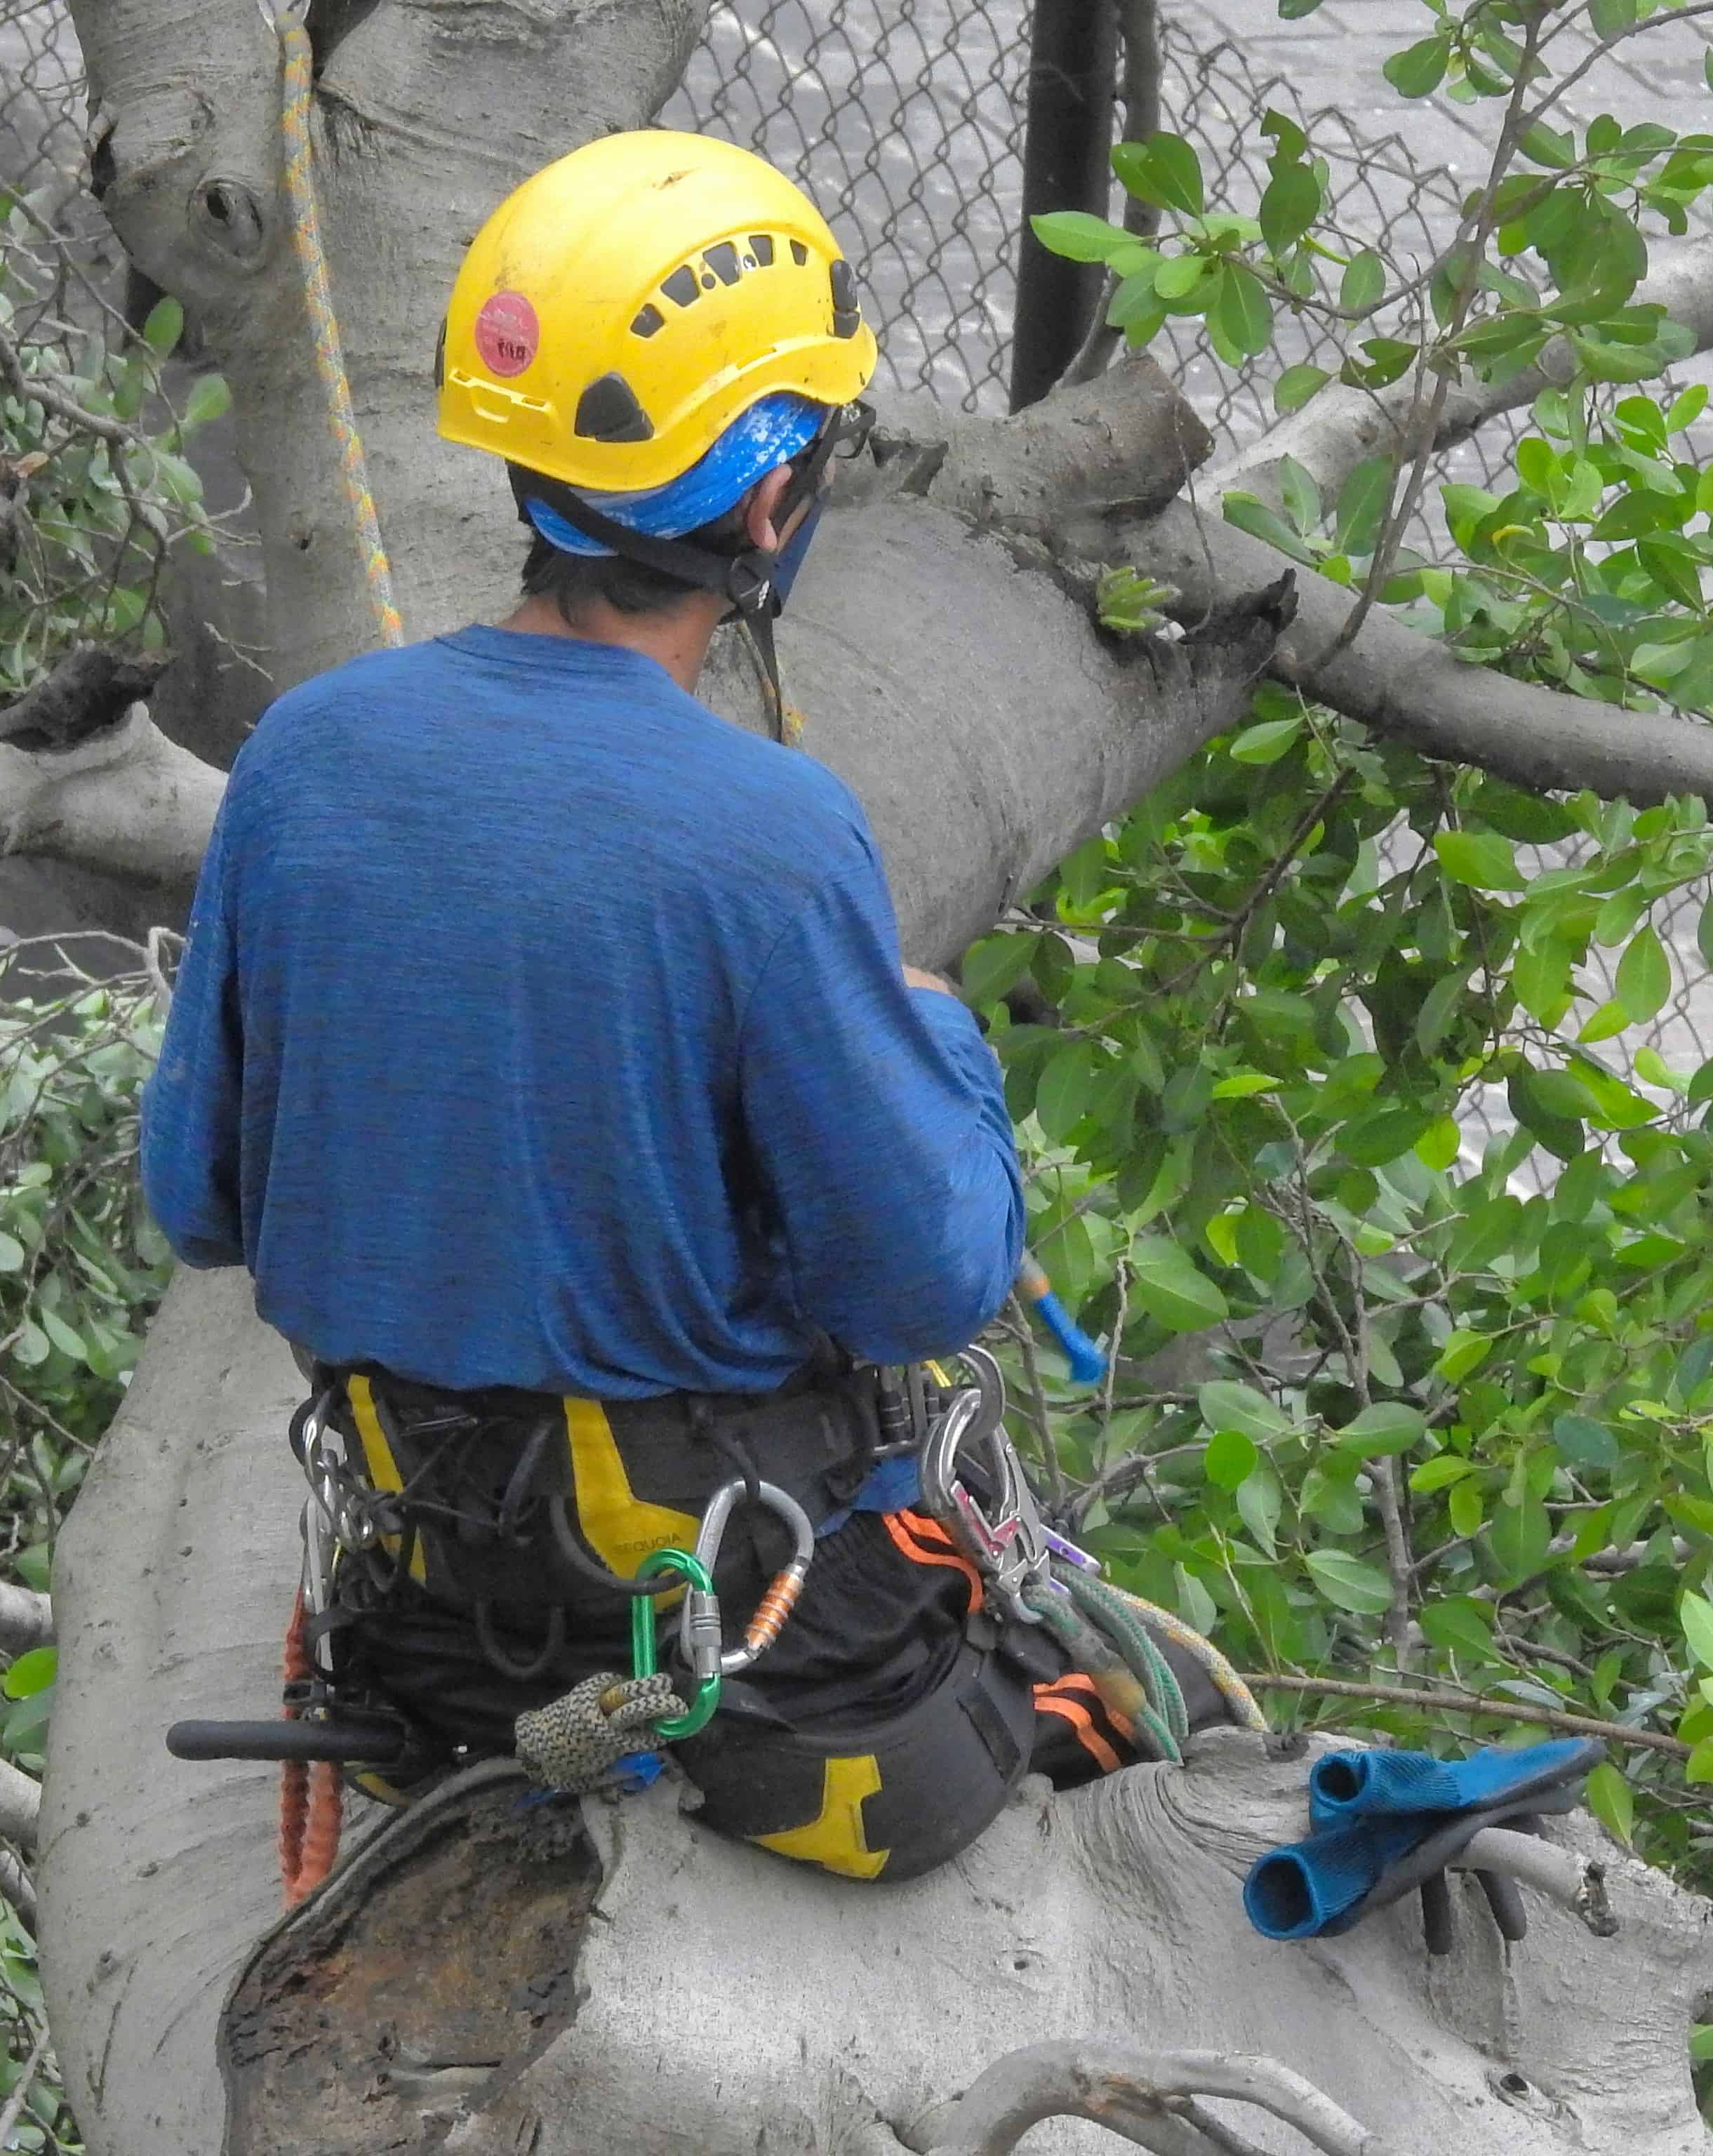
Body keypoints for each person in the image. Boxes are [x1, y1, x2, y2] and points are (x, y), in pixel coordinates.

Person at [140, 131, 1218, 1882]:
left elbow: (199, 1200)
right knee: (1128, 1718)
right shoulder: (769, 839)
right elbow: (926, 1278)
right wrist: (929, 1032)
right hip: (742, 1656)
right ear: (776, 491)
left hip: (421, 1623)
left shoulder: (308, 753)